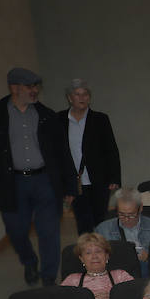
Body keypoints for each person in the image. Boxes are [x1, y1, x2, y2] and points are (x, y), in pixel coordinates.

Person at [0, 67, 71, 286]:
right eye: (29, 86)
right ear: (14, 88)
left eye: (36, 86)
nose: (35, 90)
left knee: (49, 231)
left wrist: (69, 188)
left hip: (45, 180)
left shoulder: (46, 115)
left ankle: (48, 276)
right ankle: (29, 261)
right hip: (12, 183)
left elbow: (62, 152)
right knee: (15, 230)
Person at [58, 78, 120, 234]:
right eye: (77, 94)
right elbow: (57, 153)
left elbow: (111, 149)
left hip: (99, 179)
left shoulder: (100, 119)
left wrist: (114, 178)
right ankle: (86, 255)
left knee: (100, 220)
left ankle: (102, 254)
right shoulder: (59, 120)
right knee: (83, 222)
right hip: (75, 182)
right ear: (69, 98)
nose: (82, 98)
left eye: (85, 94)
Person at [96, 188, 150, 274]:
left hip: (148, 275)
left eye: (131, 215)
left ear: (140, 208)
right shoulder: (103, 229)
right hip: (115, 274)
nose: (126, 219)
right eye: (121, 214)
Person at [61, 232, 134, 299]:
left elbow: (136, 296)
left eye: (98, 251)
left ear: (107, 256)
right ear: (81, 259)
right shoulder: (72, 280)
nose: (94, 256)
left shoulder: (121, 276)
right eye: (88, 253)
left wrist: (114, 298)